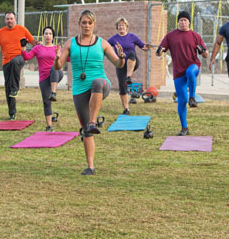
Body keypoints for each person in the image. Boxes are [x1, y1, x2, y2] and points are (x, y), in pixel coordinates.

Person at [53, 10, 125, 175]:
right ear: (79, 23)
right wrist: (57, 59)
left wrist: (122, 58)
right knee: (86, 130)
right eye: (84, 22)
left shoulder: (103, 43)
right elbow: (58, 66)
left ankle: (94, 121)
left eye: (89, 23)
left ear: (94, 24)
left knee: (97, 83)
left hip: (101, 85)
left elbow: (118, 64)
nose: (86, 26)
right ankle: (90, 166)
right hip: (79, 90)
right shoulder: (70, 44)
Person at [0, 11, 38, 120]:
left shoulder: (22, 30)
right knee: (8, 88)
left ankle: (15, 88)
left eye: (11, 18)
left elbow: (33, 42)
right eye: (7, 19)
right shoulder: (0, 32)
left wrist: (43, 45)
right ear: (5, 20)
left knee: (14, 63)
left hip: (19, 58)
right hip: (6, 62)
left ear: (15, 19)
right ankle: (12, 113)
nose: (9, 20)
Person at [156, 10, 209, 136]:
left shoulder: (195, 36)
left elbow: (206, 55)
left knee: (190, 73)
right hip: (178, 71)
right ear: (178, 22)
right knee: (181, 100)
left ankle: (192, 98)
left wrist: (202, 51)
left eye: (185, 20)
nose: (183, 22)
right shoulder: (171, 35)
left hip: (193, 65)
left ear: (189, 22)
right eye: (181, 20)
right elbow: (159, 52)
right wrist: (159, 51)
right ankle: (184, 128)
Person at [21, 26, 63, 132]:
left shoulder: (57, 48)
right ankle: (49, 126)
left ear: (53, 36)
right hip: (44, 77)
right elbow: (26, 57)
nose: (48, 36)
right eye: (46, 33)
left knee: (54, 68)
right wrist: (23, 47)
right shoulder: (37, 48)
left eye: (50, 34)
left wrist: (59, 56)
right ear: (43, 36)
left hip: (57, 73)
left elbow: (67, 59)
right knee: (46, 102)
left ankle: (53, 92)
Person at [107, 17, 150, 115]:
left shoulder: (132, 37)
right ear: (117, 27)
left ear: (127, 27)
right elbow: (105, 47)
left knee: (131, 53)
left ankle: (129, 77)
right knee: (122, 87)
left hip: (133, 62)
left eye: (123, 25)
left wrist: (146, 47)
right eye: (119, 25)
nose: (121, 27)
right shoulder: (114, 39)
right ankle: (126, 109)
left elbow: (142, 46)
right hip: (121, 64)